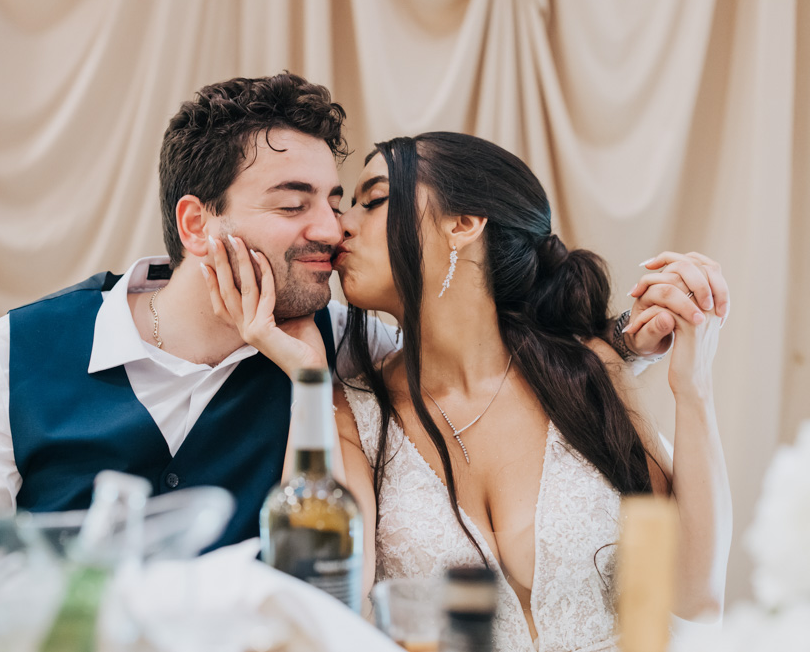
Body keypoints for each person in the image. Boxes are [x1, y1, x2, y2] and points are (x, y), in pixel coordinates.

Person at [0, 73, 719, 553]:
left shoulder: (351, 350)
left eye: (336, 201)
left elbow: (493, 355)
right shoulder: (3, 362)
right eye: (293, 203)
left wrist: (629, 341)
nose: (332, 229)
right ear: (196, 223)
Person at [202, 132, 731, 649]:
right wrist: (308, 376)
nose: (340, 227)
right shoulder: (353, 413)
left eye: (375, 200)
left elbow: (695, 597)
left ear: (463, 224)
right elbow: (322, 608)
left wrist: (693, 386)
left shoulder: (589, 372)